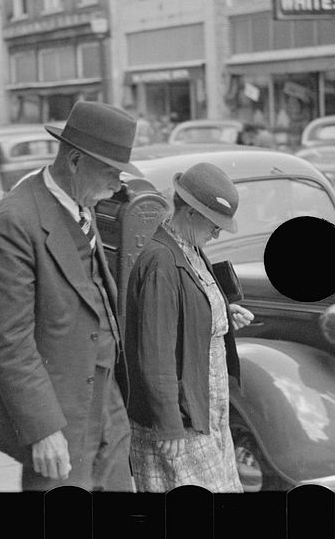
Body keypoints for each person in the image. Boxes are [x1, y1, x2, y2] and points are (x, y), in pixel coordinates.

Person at [0, 100, 139, 491]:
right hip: (59, 410)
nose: (117, 185)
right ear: (74, 160)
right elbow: (8, 341)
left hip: (106, 400)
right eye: (110, 172)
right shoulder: (16, 220)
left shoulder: (80, 202)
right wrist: (43, 429)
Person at [125, 162, 255, 492]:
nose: (219, 232)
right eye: (215, 224)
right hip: (180, 419)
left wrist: (224, 314)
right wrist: (168, 423)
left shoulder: (190, 248)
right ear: (192, 213)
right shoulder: (161, 261)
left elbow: (189, 309)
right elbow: (154, 351)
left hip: (204, 410)